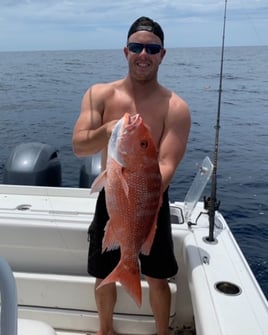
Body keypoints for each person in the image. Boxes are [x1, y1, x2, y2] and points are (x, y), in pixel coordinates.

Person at [72, 16, 191, 335]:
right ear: (125, 51)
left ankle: (162, 333)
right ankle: (105, 329)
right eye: (137, 47)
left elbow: (166, 165)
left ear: (162, 55)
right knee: (102, 271)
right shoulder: (99, 94)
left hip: (151, 199)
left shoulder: (175, 107)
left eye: (152, 48)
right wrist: (110, 130)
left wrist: (138, 190)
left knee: (158, 276)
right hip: (112, 195)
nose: (144, 54)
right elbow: (79, 147)